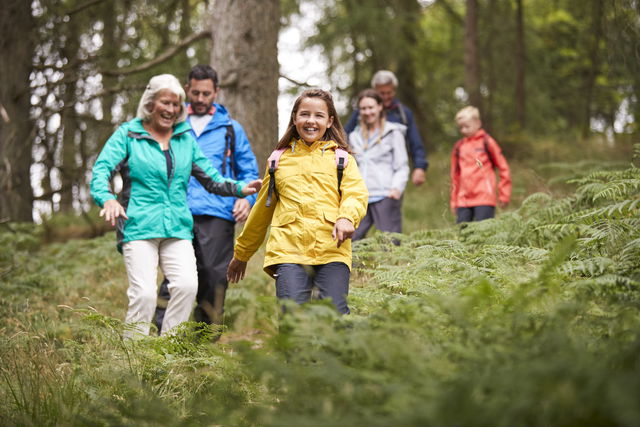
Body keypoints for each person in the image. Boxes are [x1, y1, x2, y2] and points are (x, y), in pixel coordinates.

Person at [90, 74, 261, 338]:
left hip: (177, 228)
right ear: (150, 103)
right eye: (165, 103)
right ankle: (134, 359)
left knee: (186, 286)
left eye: (175, 104)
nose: (170, 109)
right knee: (145, 294)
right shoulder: (128, 134)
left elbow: (211, 178)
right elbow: (100, 171)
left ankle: (167, 351)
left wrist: (240, 188)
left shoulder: (184, 139)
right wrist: (108, 198)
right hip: (139, 226)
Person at [226, 89, 368, 314]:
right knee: (292, 318)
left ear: (330, 121)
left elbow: (355, 193)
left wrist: (346, 217)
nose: (311, 121)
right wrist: (242, 254)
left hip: (332, 250)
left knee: (334, 317)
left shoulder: (342, 159)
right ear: (294, 118)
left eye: (319, 115)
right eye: (305, 114)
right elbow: (262, 212)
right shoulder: (277, 161)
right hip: (289, 252)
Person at [154, 65, 259, 332]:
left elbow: (249, 173)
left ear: (216, 92)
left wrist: (247, 200)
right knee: (176, 277)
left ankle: (203, 342)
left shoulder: (231, 129)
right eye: (196, 92)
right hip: (178, 211)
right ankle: (160, 338)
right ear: (187, 89)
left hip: (218, 212)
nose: (200, 99)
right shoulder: (173, 124)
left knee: (213, 276)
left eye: (206, 93)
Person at [344, 70, 428, 186]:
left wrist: (419, 167)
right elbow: (344, 135)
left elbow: (415, 142)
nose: (386, 97)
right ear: (375, 91)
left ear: (394, 90)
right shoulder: (362, 112)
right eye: (381, 93)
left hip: (395, 172)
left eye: (389, 93)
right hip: (366, 174)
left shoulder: (403, 113)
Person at [349, 89, 409, 241]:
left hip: (385, 195)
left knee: (390, 243)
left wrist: (396, 189)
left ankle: (395, 266)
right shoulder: (354, 136)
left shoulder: (393, 132)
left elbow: (402, 165)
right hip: (361, 196)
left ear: (380, 107)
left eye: (371, 107)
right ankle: (354, 266)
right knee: (352, 240)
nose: (367, 112)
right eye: (363, 108)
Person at [450, 106, 511, 223]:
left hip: (484, 198)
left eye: (467, 126)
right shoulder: (459, 147)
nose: (463, 130)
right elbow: (455, 175)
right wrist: (454, 201)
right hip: (463, 200)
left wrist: (504, 194)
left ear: (478, 123)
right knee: (462, 236)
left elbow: (504, 168)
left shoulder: (487, 142)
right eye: (461, 127)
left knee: (484, 235)